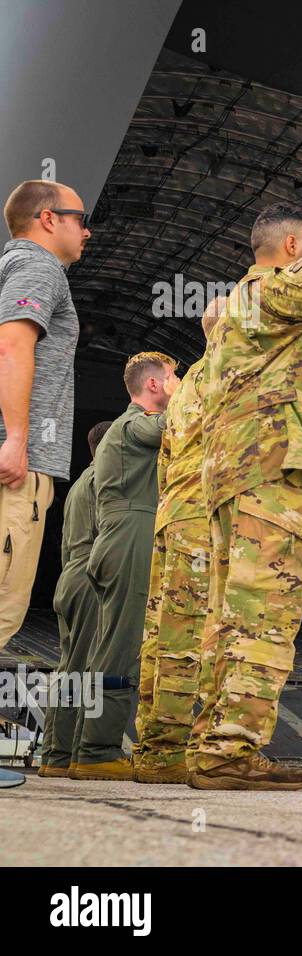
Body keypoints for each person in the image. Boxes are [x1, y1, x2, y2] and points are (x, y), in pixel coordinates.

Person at [186, 203, 302, 791]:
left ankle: (209, 742)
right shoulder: (273, 292)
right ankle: (231, 749)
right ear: (291, 249)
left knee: (226, 617)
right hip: (270, 475)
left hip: (232, 476)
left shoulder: (233, 309)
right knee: (264, 613)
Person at [69, 352, 178, 780]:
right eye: (172, 378)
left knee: (109, 646)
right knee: (120, 647)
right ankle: (97, 750)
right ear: (153, 385)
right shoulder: (134, 424)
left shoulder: (126, 429)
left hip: (126, 534)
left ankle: (85, 748)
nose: (177, 385)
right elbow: (181, 424)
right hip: (131, 534)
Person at [132, 298, 223, 784]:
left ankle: (154, 747)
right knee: (188, 637)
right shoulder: (225, 375)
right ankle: (169, 752)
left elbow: (166, 461)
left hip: (174, 514)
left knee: (162, 634)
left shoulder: (184, 392)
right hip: (199, 517)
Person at [0, 180, 88, 648]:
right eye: (80, 218)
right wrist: (16, 439)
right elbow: (11, 346)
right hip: (16, 469)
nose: (87, 231)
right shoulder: (39, 268)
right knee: (2, 606)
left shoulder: (11, 267)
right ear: (48, 219)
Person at [36, 421, 112, 777]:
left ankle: (57, 752)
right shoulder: (104, 481)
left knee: (71, 669)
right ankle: (65, 754)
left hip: (71, 578)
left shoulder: (83, 480)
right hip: (90, 580)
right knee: (82, 672)